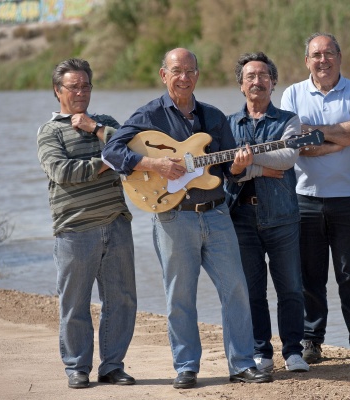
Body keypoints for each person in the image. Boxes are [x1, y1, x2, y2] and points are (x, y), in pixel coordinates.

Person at [102, 48, 272, 387]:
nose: (184, 77)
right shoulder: (148, 115)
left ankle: (241, 364)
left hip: (217, 214)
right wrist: (154, 164)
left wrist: (239, 165)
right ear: (163, 75)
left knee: (236, 289)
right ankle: (186, 367)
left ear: (198, 74)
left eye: (190, 71)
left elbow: (230, 171)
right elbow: (111, 151)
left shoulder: (213, 117)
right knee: (180, 296)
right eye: (177, 71)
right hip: (173, 218)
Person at [37, 58, 137, 389]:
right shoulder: (50, 131)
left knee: (122, 300)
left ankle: (112, 366)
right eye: (73, 86)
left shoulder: (105, 123)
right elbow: (63, 172)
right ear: (57, 91)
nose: (80, 92)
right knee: (74, 304)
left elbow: (134, 150)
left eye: (86, 86)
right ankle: (77, 368)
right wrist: (108, 160)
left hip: (116, 224)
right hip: (75, 230)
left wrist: (95, 128)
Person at [280, 33, 350, 363]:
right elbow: (293, 143)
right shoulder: (292, 94)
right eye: (316, 55)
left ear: (339, 56)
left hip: (349, 195)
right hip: (305, 196)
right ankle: (311, 340)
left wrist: (316, 132)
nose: (323, 60)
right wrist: (340, 139)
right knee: (310, 275)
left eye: (329, 53)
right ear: (307, 61)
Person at [226, 52, 309, 373]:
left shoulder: (289, 120)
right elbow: (225, 170)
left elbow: (287, 158)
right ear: (241, 85)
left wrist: (245, 162)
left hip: (282, 217)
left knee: (291, 289)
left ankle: (294, 352)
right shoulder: (228, 124)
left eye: (263, 76)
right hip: (241, 219)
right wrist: (258, 169)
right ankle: (261, 351)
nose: (257, 81)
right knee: (252, 291)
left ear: (273, 82)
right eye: (250, 76)